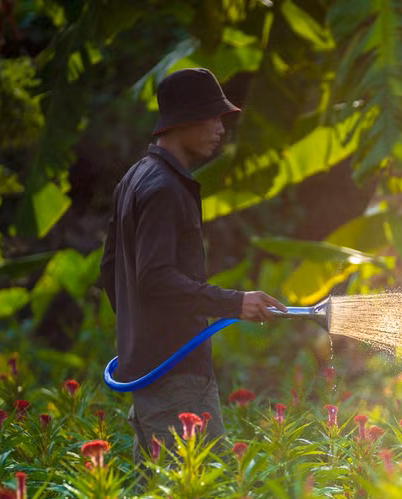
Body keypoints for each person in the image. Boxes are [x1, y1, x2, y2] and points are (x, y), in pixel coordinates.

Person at [99, 67, 286, 464]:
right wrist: (235, 303)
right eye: (214, 117)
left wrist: (141, 337)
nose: (222, 128)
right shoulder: (165, 188)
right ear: (184, 119)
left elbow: (111, 271)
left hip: (152, 375)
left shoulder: (134, 179)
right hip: (176, 381)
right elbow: (155, 279)